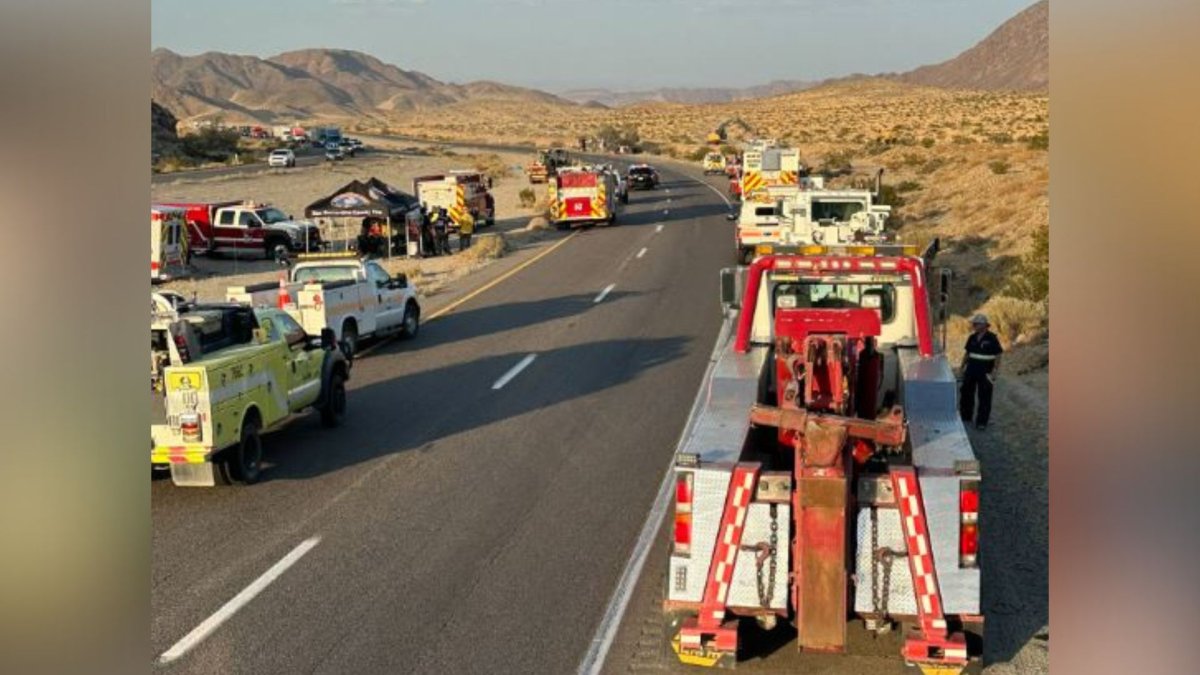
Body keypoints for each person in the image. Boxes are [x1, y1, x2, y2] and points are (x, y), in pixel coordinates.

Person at [959, 313, 1004, 430]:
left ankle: (981, 422)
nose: (974, 325)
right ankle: (966, 416)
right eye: (974, 323)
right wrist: (962, 367)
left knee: (984, 397)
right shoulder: (972, 338)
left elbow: (998, 354)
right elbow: (967, 353)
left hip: (986, 372)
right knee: (966, 393)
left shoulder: (992, 338)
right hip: (971, 370)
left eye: (976, 323)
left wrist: (995, 371)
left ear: (984, 325)